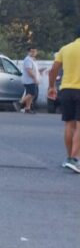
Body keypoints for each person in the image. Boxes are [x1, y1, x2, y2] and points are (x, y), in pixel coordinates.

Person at [48, 26, 80, 173]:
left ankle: (69, 158)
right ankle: (75, 159)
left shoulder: (65, 49)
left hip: (66, 89)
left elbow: (54, 69)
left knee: (69, 124)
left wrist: (51, 86)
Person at [21, 47, 40, 114]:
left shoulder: (33, 60)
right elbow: (29, 71)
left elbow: (34, 70)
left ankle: (27, 108)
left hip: (32, 80)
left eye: (35, 51)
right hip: (29, 80)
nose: (33, 53)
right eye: (32, 51)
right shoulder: (28, 60)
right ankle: (20, 102)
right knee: (32, 93)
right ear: (29, 52)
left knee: (31, 94)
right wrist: (35, 78)